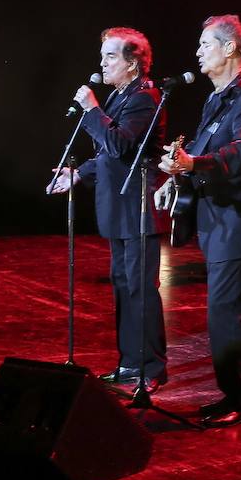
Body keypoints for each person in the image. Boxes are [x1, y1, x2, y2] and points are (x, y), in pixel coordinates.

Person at [156, 14, 241, 427]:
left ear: (230, 48)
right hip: (220, 221)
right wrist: (175, 175)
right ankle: (234, 393)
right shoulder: (218, 99)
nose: (197, 52)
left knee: (224, 312)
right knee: (221, 311)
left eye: (205, 45)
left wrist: (193, 163)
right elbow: (203, 148)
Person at [48, 27, 168, 392]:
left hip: (138, 207)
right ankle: (130, 362)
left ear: (133, 63)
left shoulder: (145, 97)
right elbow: (106, 156)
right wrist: (78, 174)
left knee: (140, 290)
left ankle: (151, 368)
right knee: (123, 287)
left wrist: (91, 109)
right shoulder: (119, 96)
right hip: (119, 208)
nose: (102, 64)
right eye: (103, 56)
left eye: (111, 56)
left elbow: (118, 144)